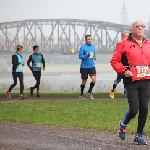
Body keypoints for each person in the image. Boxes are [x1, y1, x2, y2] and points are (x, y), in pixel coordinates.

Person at [110, 21, 150, 145]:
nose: (140, 28)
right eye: (137, 26)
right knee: (134, 109)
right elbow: (114, 61)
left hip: (146, 80)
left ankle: (139, 135)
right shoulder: (123, 44)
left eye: (142, 26)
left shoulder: (148, 44)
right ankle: (123, 124)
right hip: (131, 80)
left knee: (144, 108)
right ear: (131, 29)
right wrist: (124, 70)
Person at [110, 32, 129, 99]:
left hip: (127, 66)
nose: (126, 38)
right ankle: (112, 90)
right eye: (125, 36)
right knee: (118, 80)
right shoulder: (119, 44)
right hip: (120, 66)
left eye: (127, 36)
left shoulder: (129, 44)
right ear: (122, 37)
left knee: (127, 79)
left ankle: (125, 92)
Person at [79, 35, 96, 100]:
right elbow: (80, 56)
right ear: (86, 40)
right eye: (88, 39)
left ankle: (89, 92)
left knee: (94, 80)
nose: (90, 40)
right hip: (84, 67)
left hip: (92, 66)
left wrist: (94, 57)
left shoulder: (93, 46)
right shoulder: (83, 47)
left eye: (91, 39)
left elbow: (94, 54)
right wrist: (87, 55)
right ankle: (81, 95)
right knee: (84, 81)